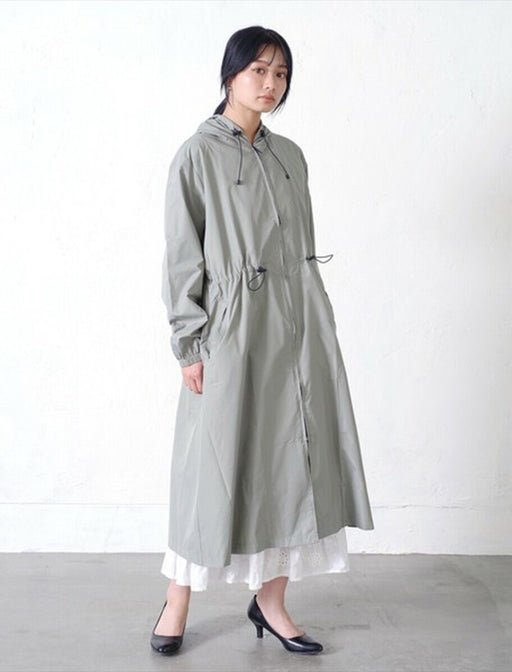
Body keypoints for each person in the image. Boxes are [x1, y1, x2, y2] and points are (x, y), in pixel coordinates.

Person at [151, 26, 374, 656]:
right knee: (210, 470)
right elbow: (182, 256)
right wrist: (190, 342)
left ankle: (271, 602)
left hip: (297, 330)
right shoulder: (197, 155)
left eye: (280, 74)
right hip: (232, 330)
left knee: (293, 464)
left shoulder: (290, 156)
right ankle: (177, 599)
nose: (270, 83)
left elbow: (298, 248)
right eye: (259, 70)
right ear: (230, 75)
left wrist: (315, 324)